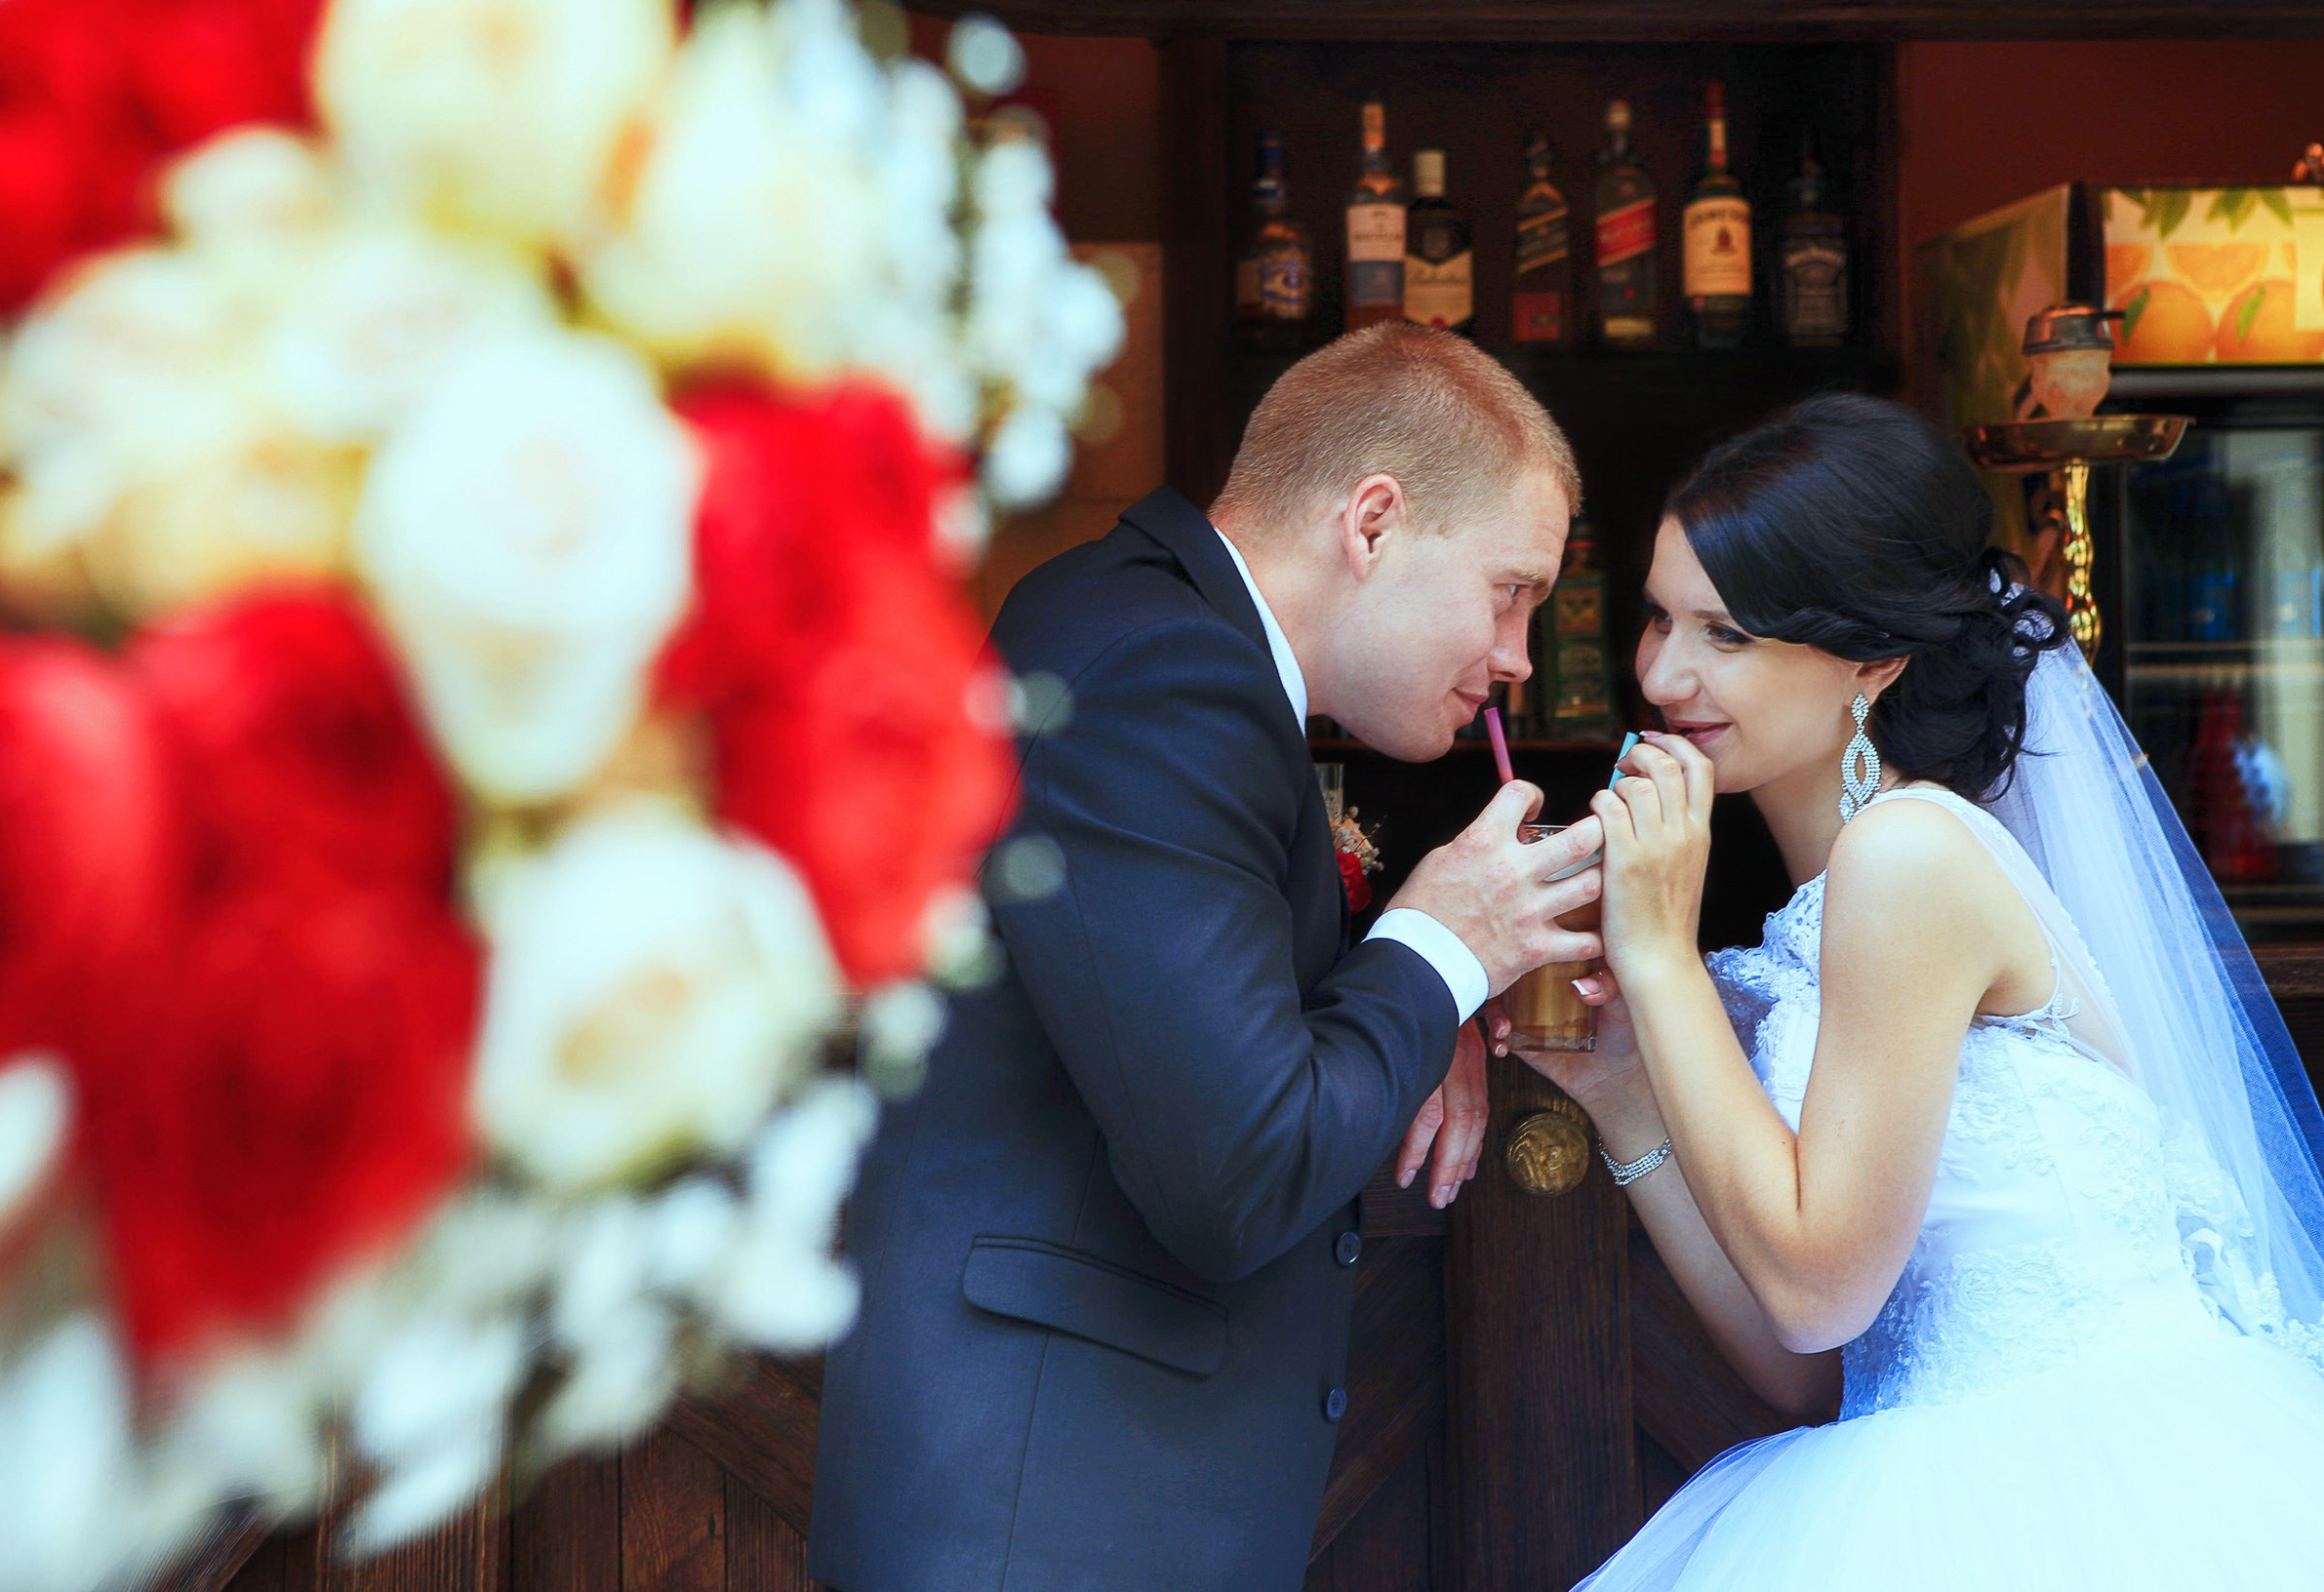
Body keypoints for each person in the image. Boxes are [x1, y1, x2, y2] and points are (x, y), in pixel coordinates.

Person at [809, 324, 1603, 1592]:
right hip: (1044, 1523)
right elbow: (1238, 1169)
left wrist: (1411, 994)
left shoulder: (1130, 620)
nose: (1516, 655)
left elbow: (1173, 1003)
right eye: (1509, 590)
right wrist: (1442, 950)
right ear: (1374, 523)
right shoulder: (1165, 670)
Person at [1514, 392, 2324, 1587]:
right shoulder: (1830, 902)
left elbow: (1812, 1295)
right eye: (1658, 618)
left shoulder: (1906, 856)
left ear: (1874, 661)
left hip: (2092, 1482)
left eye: (1725, 635)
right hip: (1926, 1460)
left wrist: (1660, 956)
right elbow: (1811, 1368)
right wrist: (1626, 1097)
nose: (1662, 672)